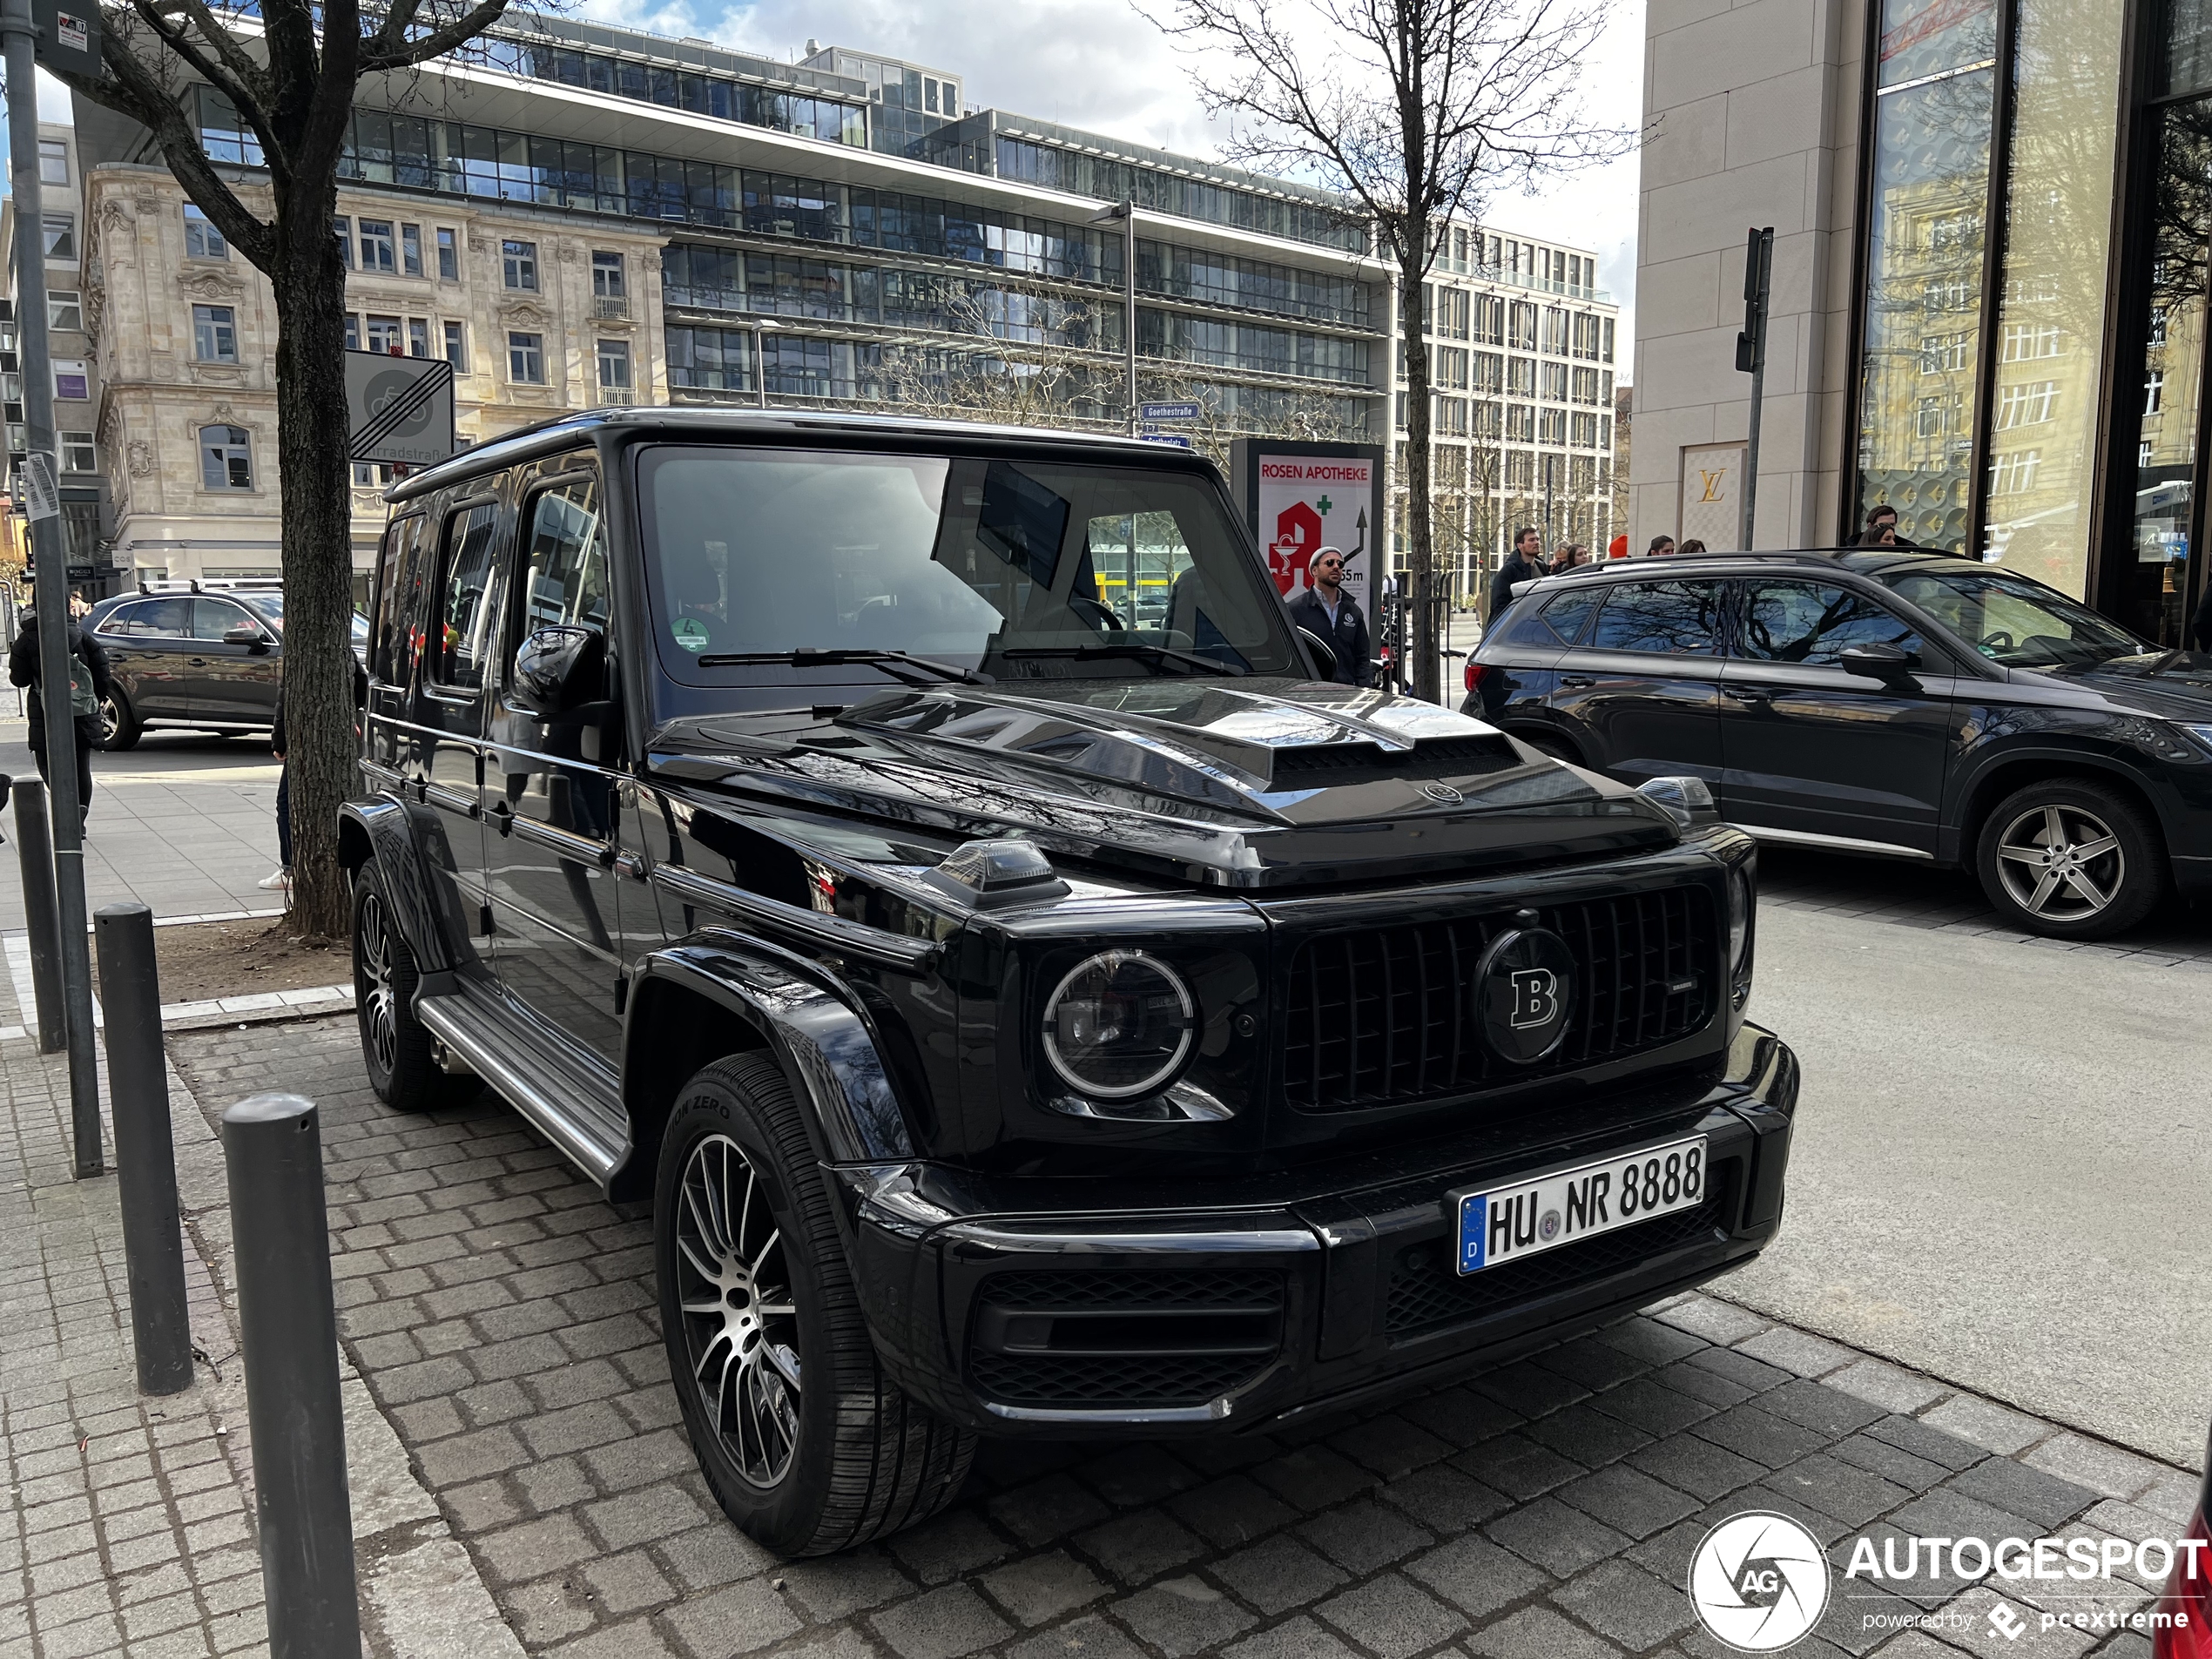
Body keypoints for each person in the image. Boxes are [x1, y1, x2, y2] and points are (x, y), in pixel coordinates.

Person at [10, 599, 109, 833]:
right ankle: (79, 816)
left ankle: (69, 808)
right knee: (81, 765)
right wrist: (94, 700)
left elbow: (19, 679)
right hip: (82, 710)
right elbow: (103, 674)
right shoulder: (83, 637)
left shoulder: (29, 638)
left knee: (46, 762)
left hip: (44, 713)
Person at [1285, 546, 1373, 687]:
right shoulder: (1295, 609)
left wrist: (1364, 686)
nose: (1336, 567)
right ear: (1314, 570)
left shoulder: (1353, 611)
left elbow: (1362, 657)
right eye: (1330, 562)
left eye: (1340, 564)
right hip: (1309, 692)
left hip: (1346, 691)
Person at [1489, 526, 1543, 618]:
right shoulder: (1509, 570)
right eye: (1531, 540)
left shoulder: (1542, 567)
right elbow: (1499, 604)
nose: (1537, 543)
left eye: (1537, 539)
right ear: (1520, 546)